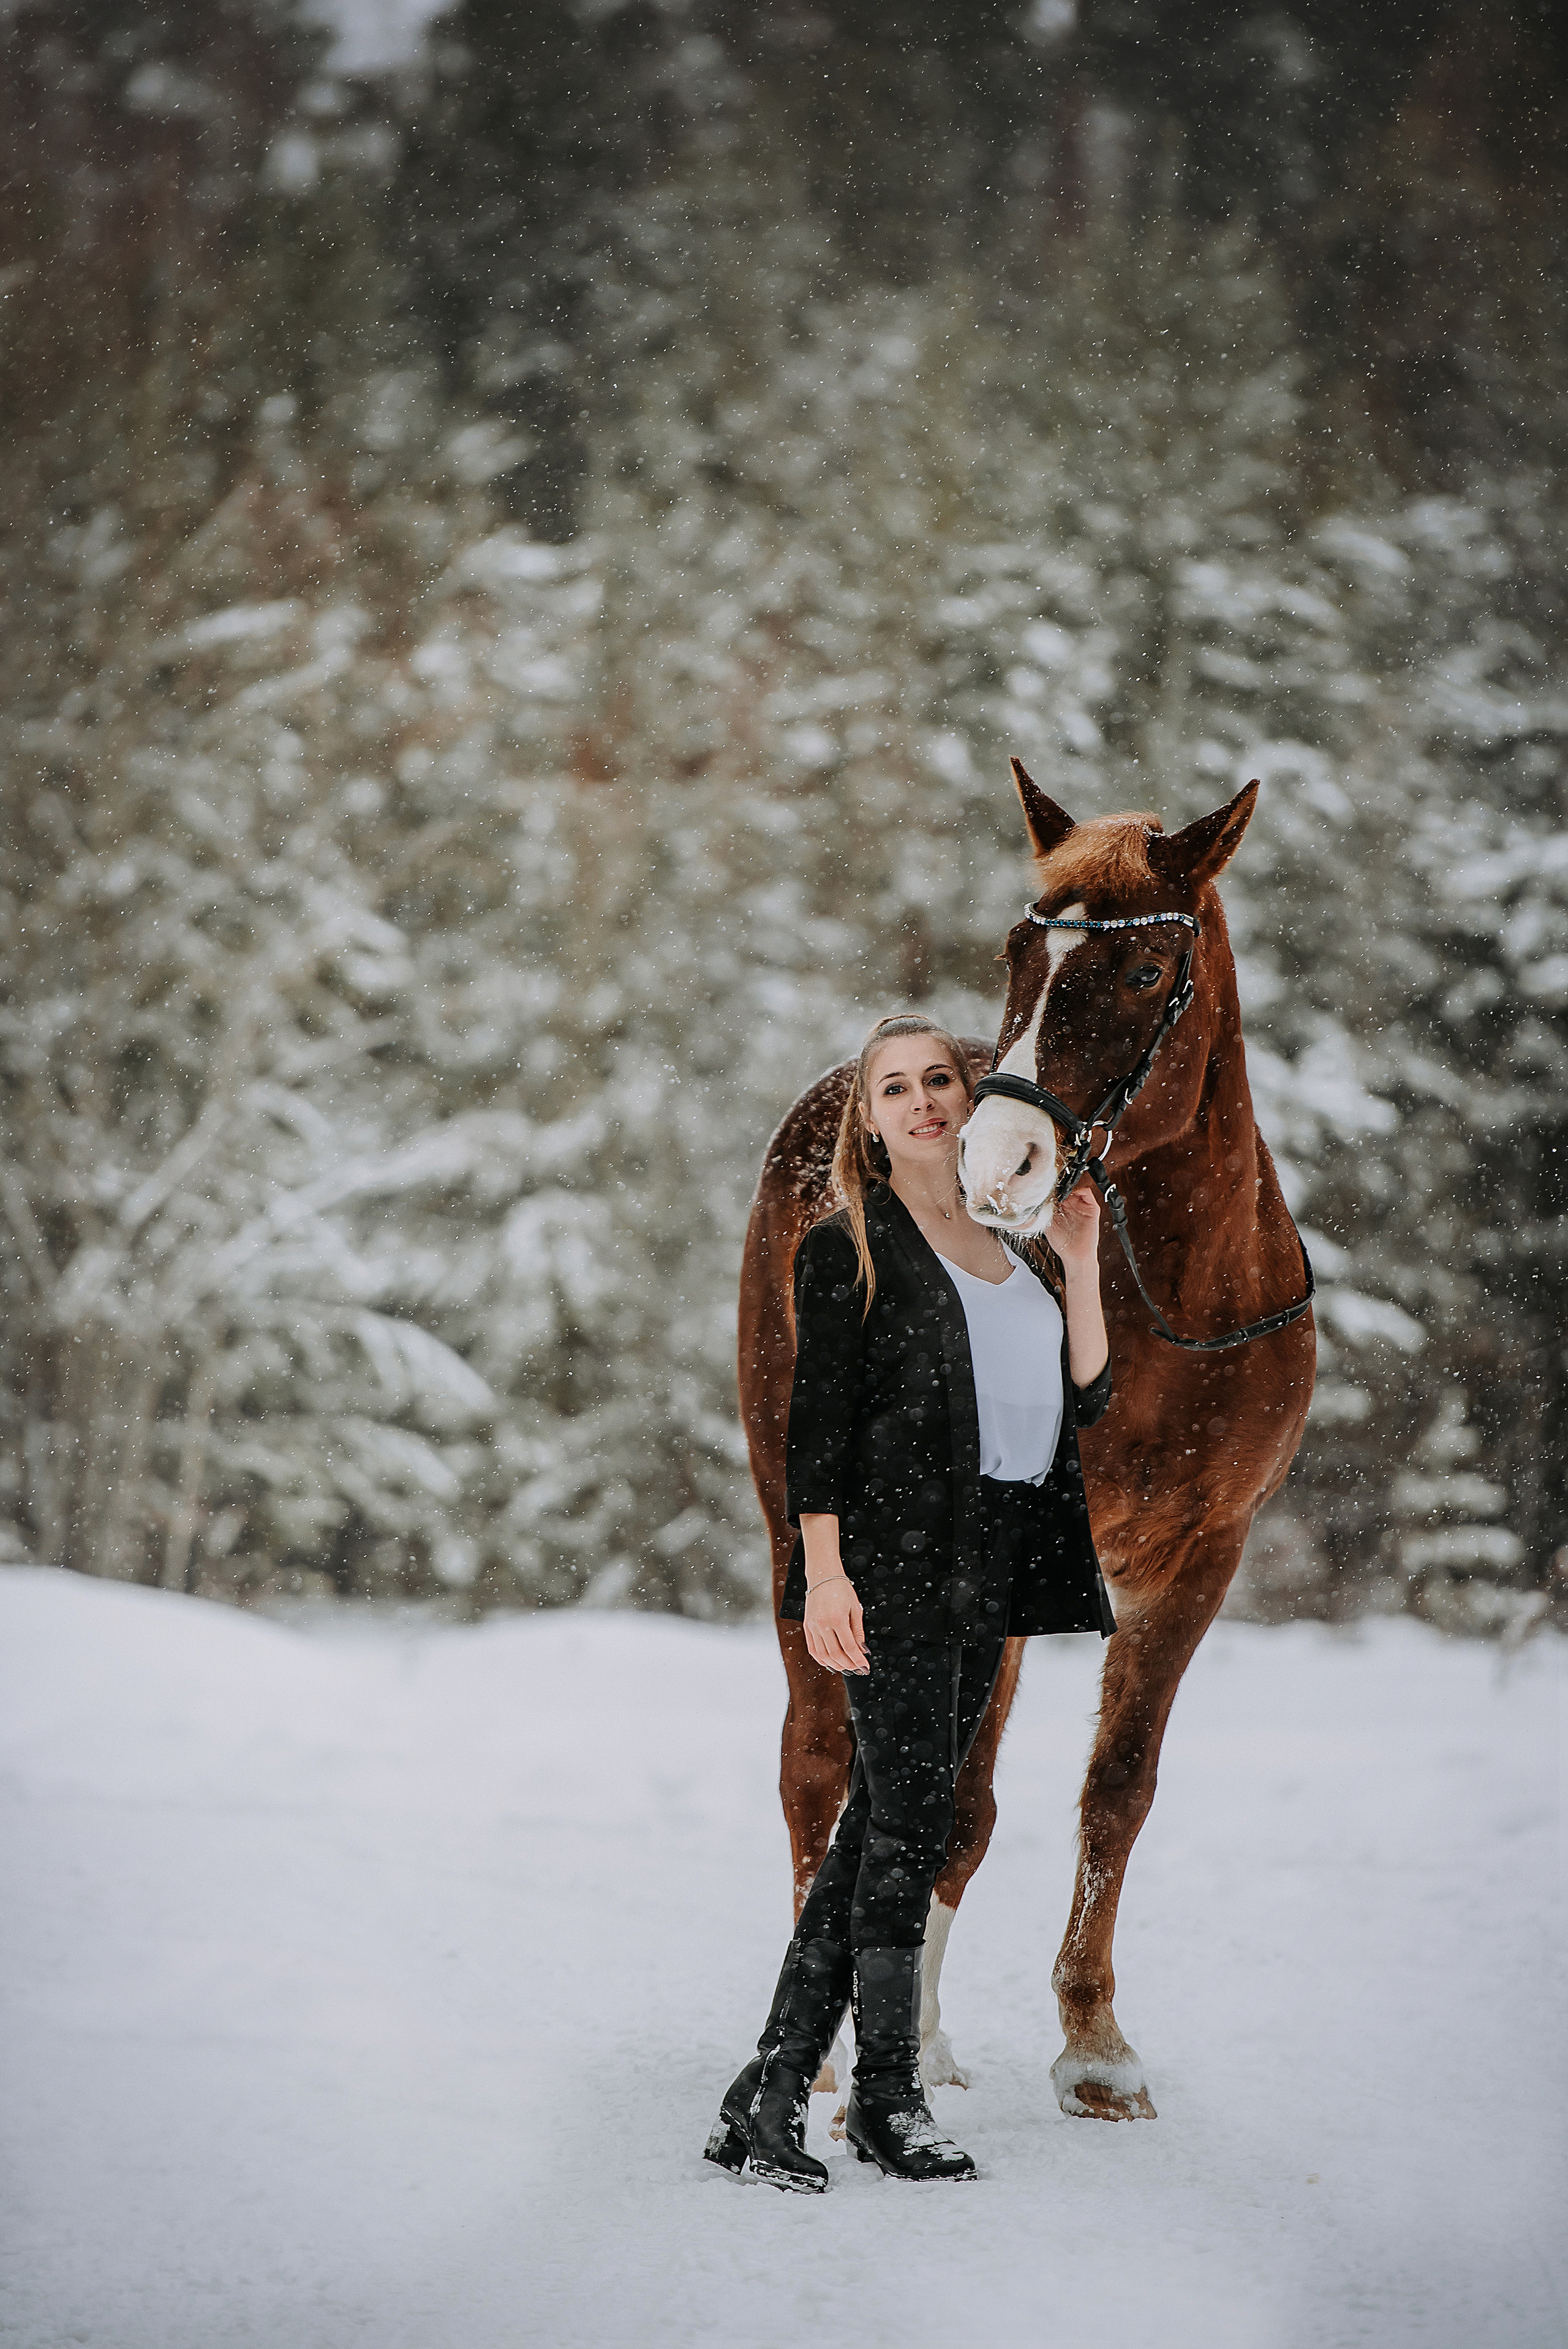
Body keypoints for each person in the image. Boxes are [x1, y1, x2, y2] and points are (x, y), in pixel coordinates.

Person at [705, 1013, 1116, 2193]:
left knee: (883, 1828)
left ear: (970, 1098)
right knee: (910, 1828)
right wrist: (823, 1574)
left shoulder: (1014, 1245)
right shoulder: (850, 1247)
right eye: (897, 1087)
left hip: (995, 1559)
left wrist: (1081, 1260)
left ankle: (766, 2094)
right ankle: (885, 2094)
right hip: (892, 1560)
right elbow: (814, 1434)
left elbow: (1084, 1395)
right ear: (870, 1117)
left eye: (941, 1079)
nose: (925, 1100)